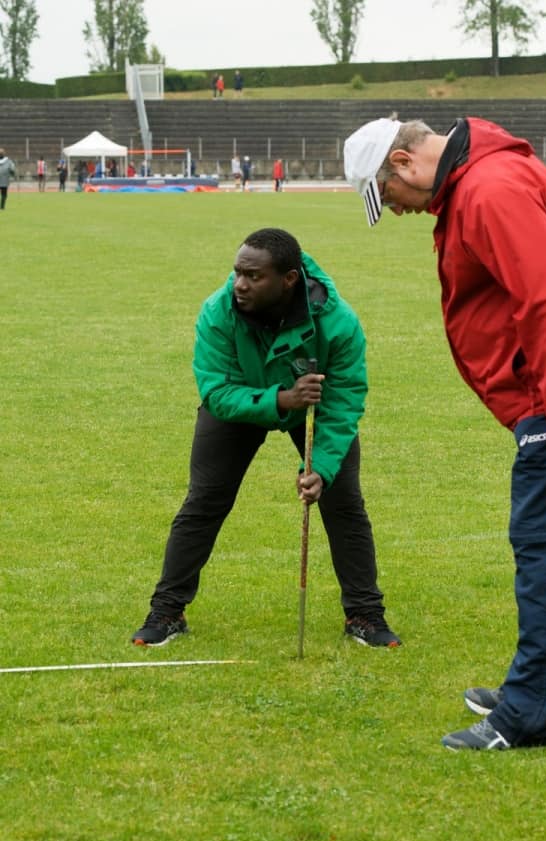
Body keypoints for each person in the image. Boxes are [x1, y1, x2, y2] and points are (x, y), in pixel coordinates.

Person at [344, 116, 546, 750]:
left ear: (403, 163)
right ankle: (541, 688)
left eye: (390, 196)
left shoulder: (486, 189)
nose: (398, 212)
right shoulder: (482, 179)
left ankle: (533, 713)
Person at [131, 227, 400, 650]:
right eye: (238, 272)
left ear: (288, 280)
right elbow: (216, 392)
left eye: (254, 276)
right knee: (203, 502)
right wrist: (282, 398)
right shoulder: (217, 312)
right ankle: (166, 612)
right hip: (241, 404)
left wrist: (322, 470)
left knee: (343, 502)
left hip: (312, 408)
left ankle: (365, 614)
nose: (240, 284)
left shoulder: (338, 323)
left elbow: (345, 400)